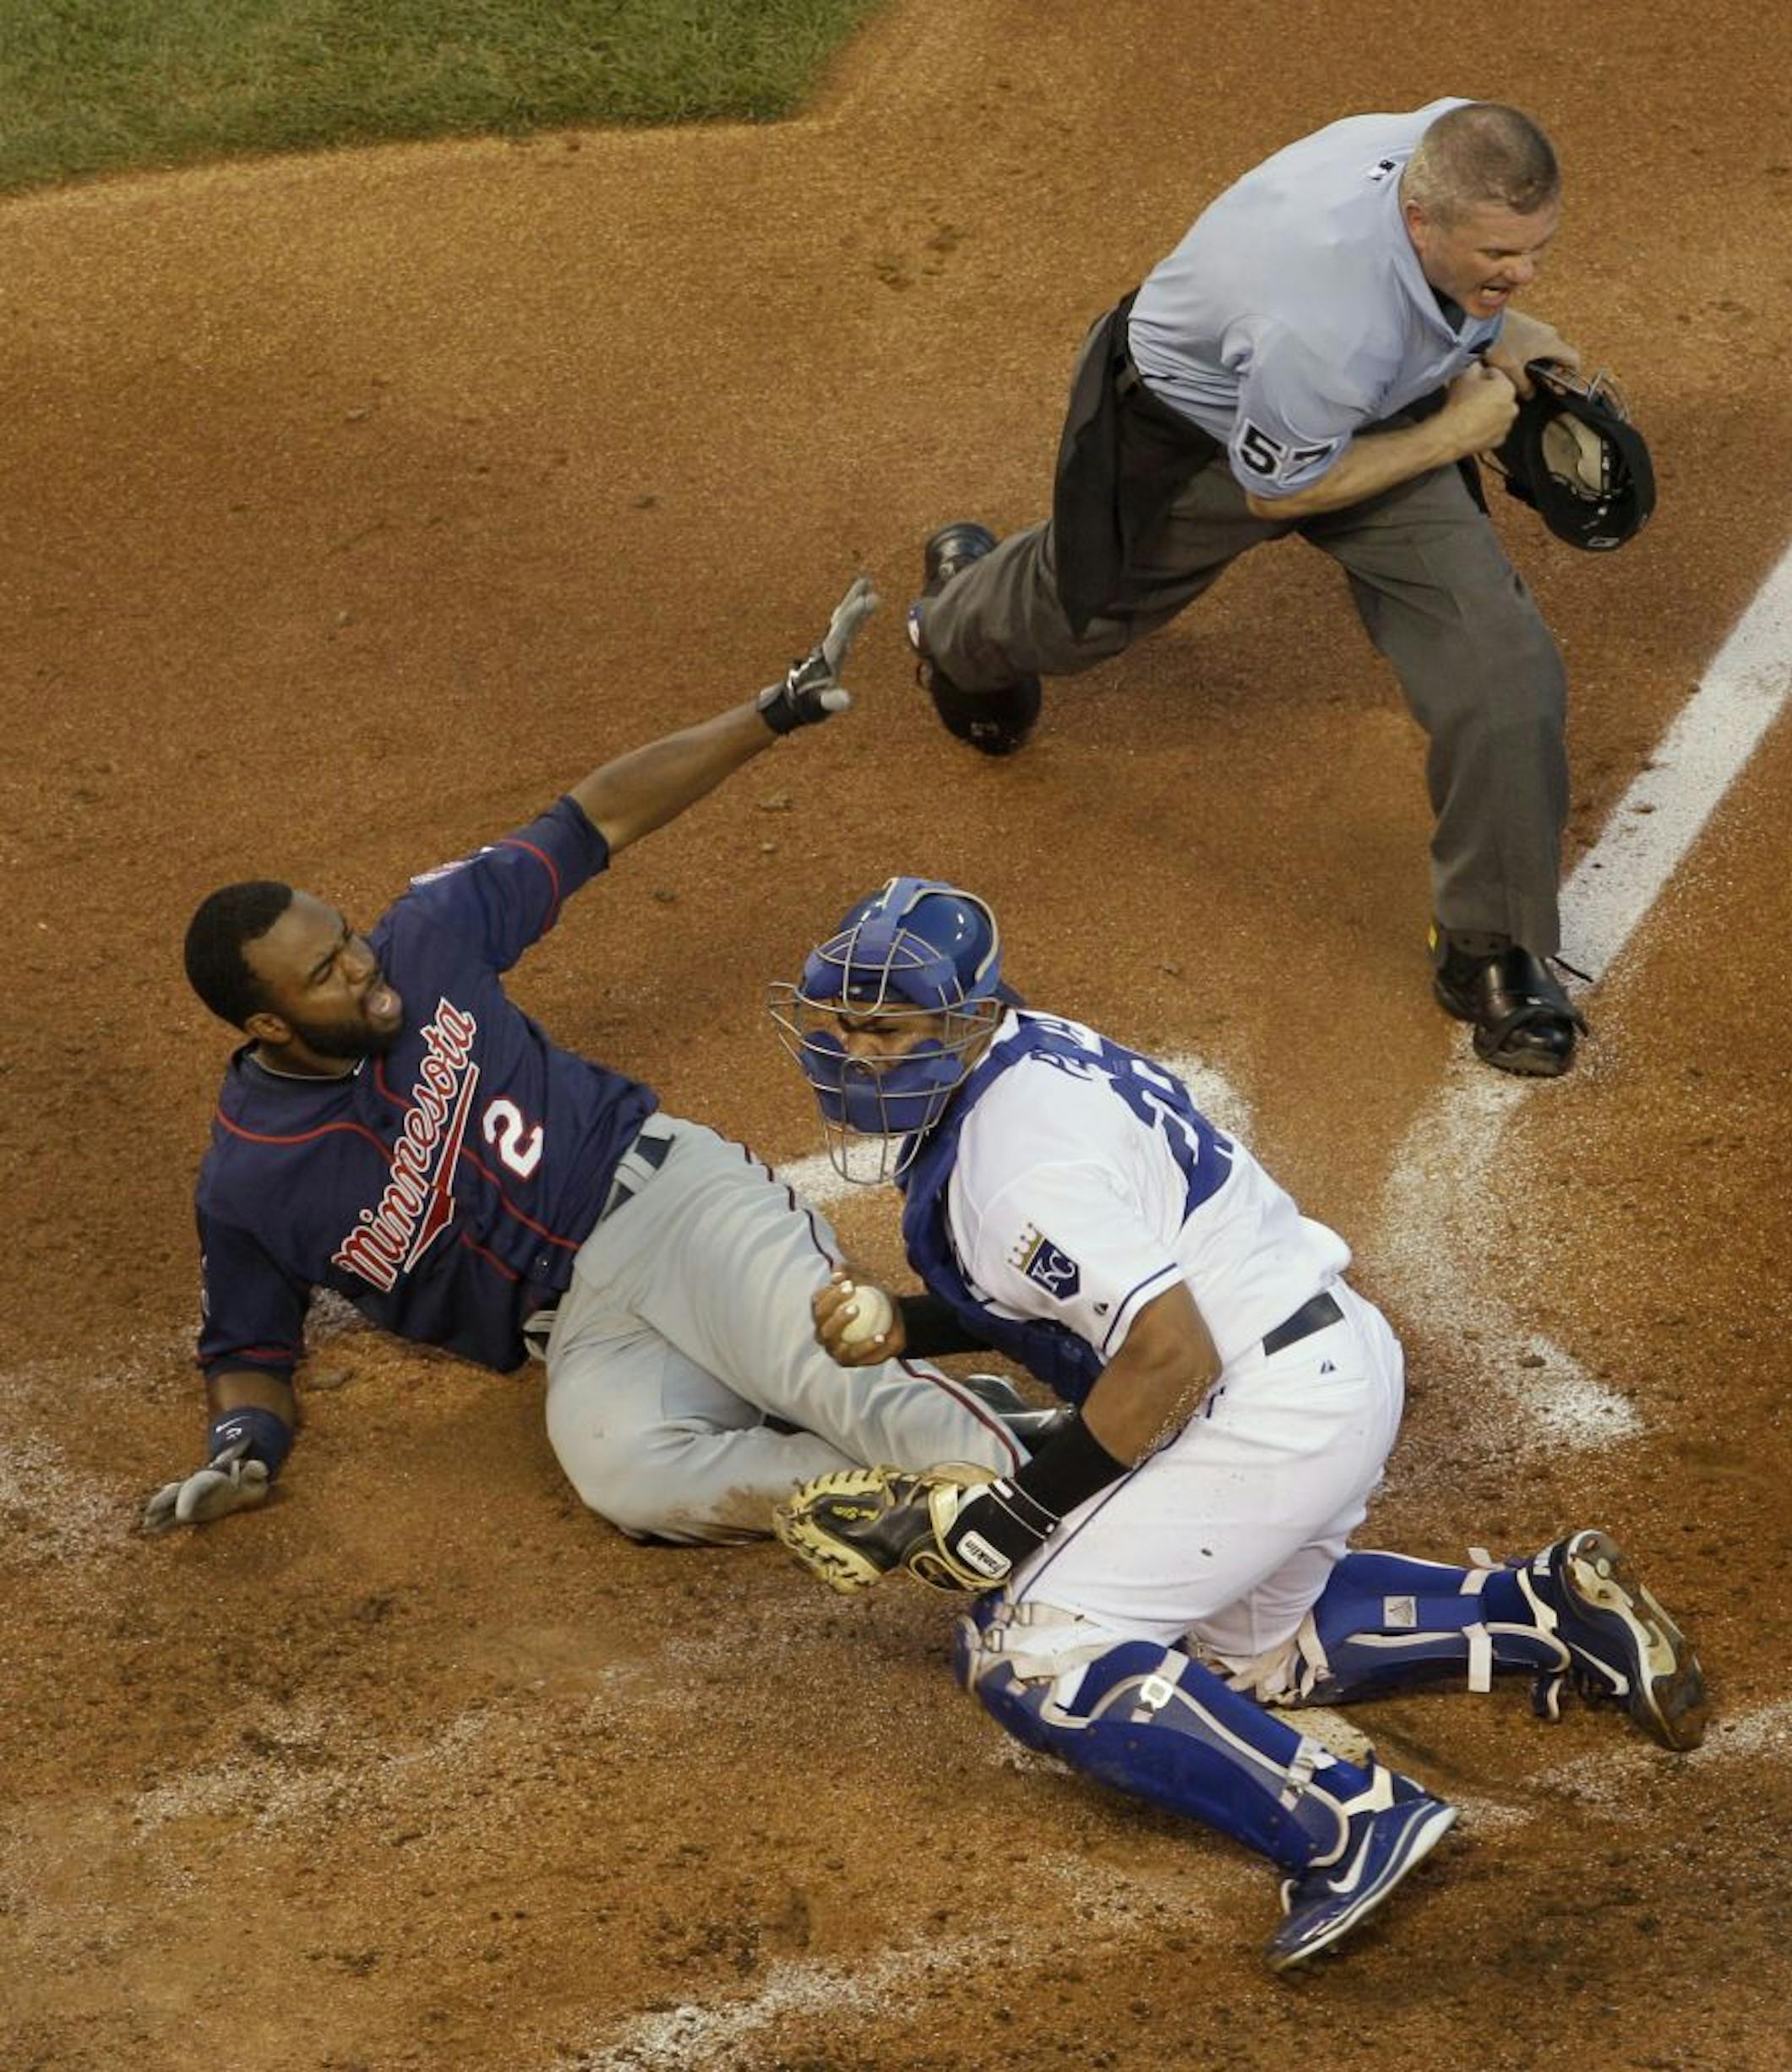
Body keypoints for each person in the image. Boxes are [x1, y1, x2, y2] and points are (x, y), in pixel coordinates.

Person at [765, 877, 1707, 1971]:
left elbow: (1168, 1356)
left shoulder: (1016, 1169)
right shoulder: (1023, 1055)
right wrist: (908, 1325)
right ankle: (1536, 1610)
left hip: (1260, 1406)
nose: (853, 1052)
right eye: (842, 1023)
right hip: (1320, 1356)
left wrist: (1014, 1520)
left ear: (966, 1017)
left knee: (1029, 1647)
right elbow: (1076, 1306)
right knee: (1249, 1653)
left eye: (885, 1029)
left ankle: (1347, 1822)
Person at [142, 581, 1047, 1546]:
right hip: (581, 1331)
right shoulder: (252, 1178)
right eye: (324, 973)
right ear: (267, 1026)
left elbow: (592, 822)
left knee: (836, 1380)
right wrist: (242, 1450)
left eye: (346, 936)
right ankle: (935, 1488)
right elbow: (246, 1347)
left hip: (670, 1207)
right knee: (631, 1475)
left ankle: (1062, 1508)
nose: (364, 968)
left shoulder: (429, 940)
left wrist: (771, 711)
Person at [910, 99, 1596, 1077]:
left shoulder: (1453, 151)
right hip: (1197, 435)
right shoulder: (1317, 313)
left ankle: (1490, 947)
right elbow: (1286, 487)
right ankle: (953, 618)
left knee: (1504, 674)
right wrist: (1457, 431)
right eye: (1500, 254)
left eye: (1536, 250)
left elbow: (1459, 285)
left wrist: (1500, 320)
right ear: (1419, 221)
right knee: (1076, 618)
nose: (1523, 269)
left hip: (1372, 406)